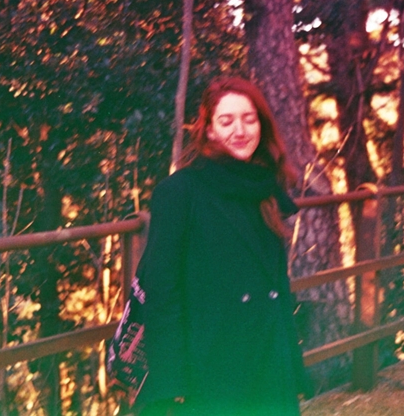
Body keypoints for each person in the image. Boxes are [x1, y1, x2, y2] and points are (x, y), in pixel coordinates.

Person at [132, 76, 310, 415]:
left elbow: (277, 284)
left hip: (268, 360)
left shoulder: (265, 186)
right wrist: (172, 383)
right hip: (209, 367)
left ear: (262, 125)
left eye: (249, 119)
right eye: (226, 121)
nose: (240, 131)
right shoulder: (180, 191)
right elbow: (162, 292)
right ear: (210, 131)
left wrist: (291, 365)